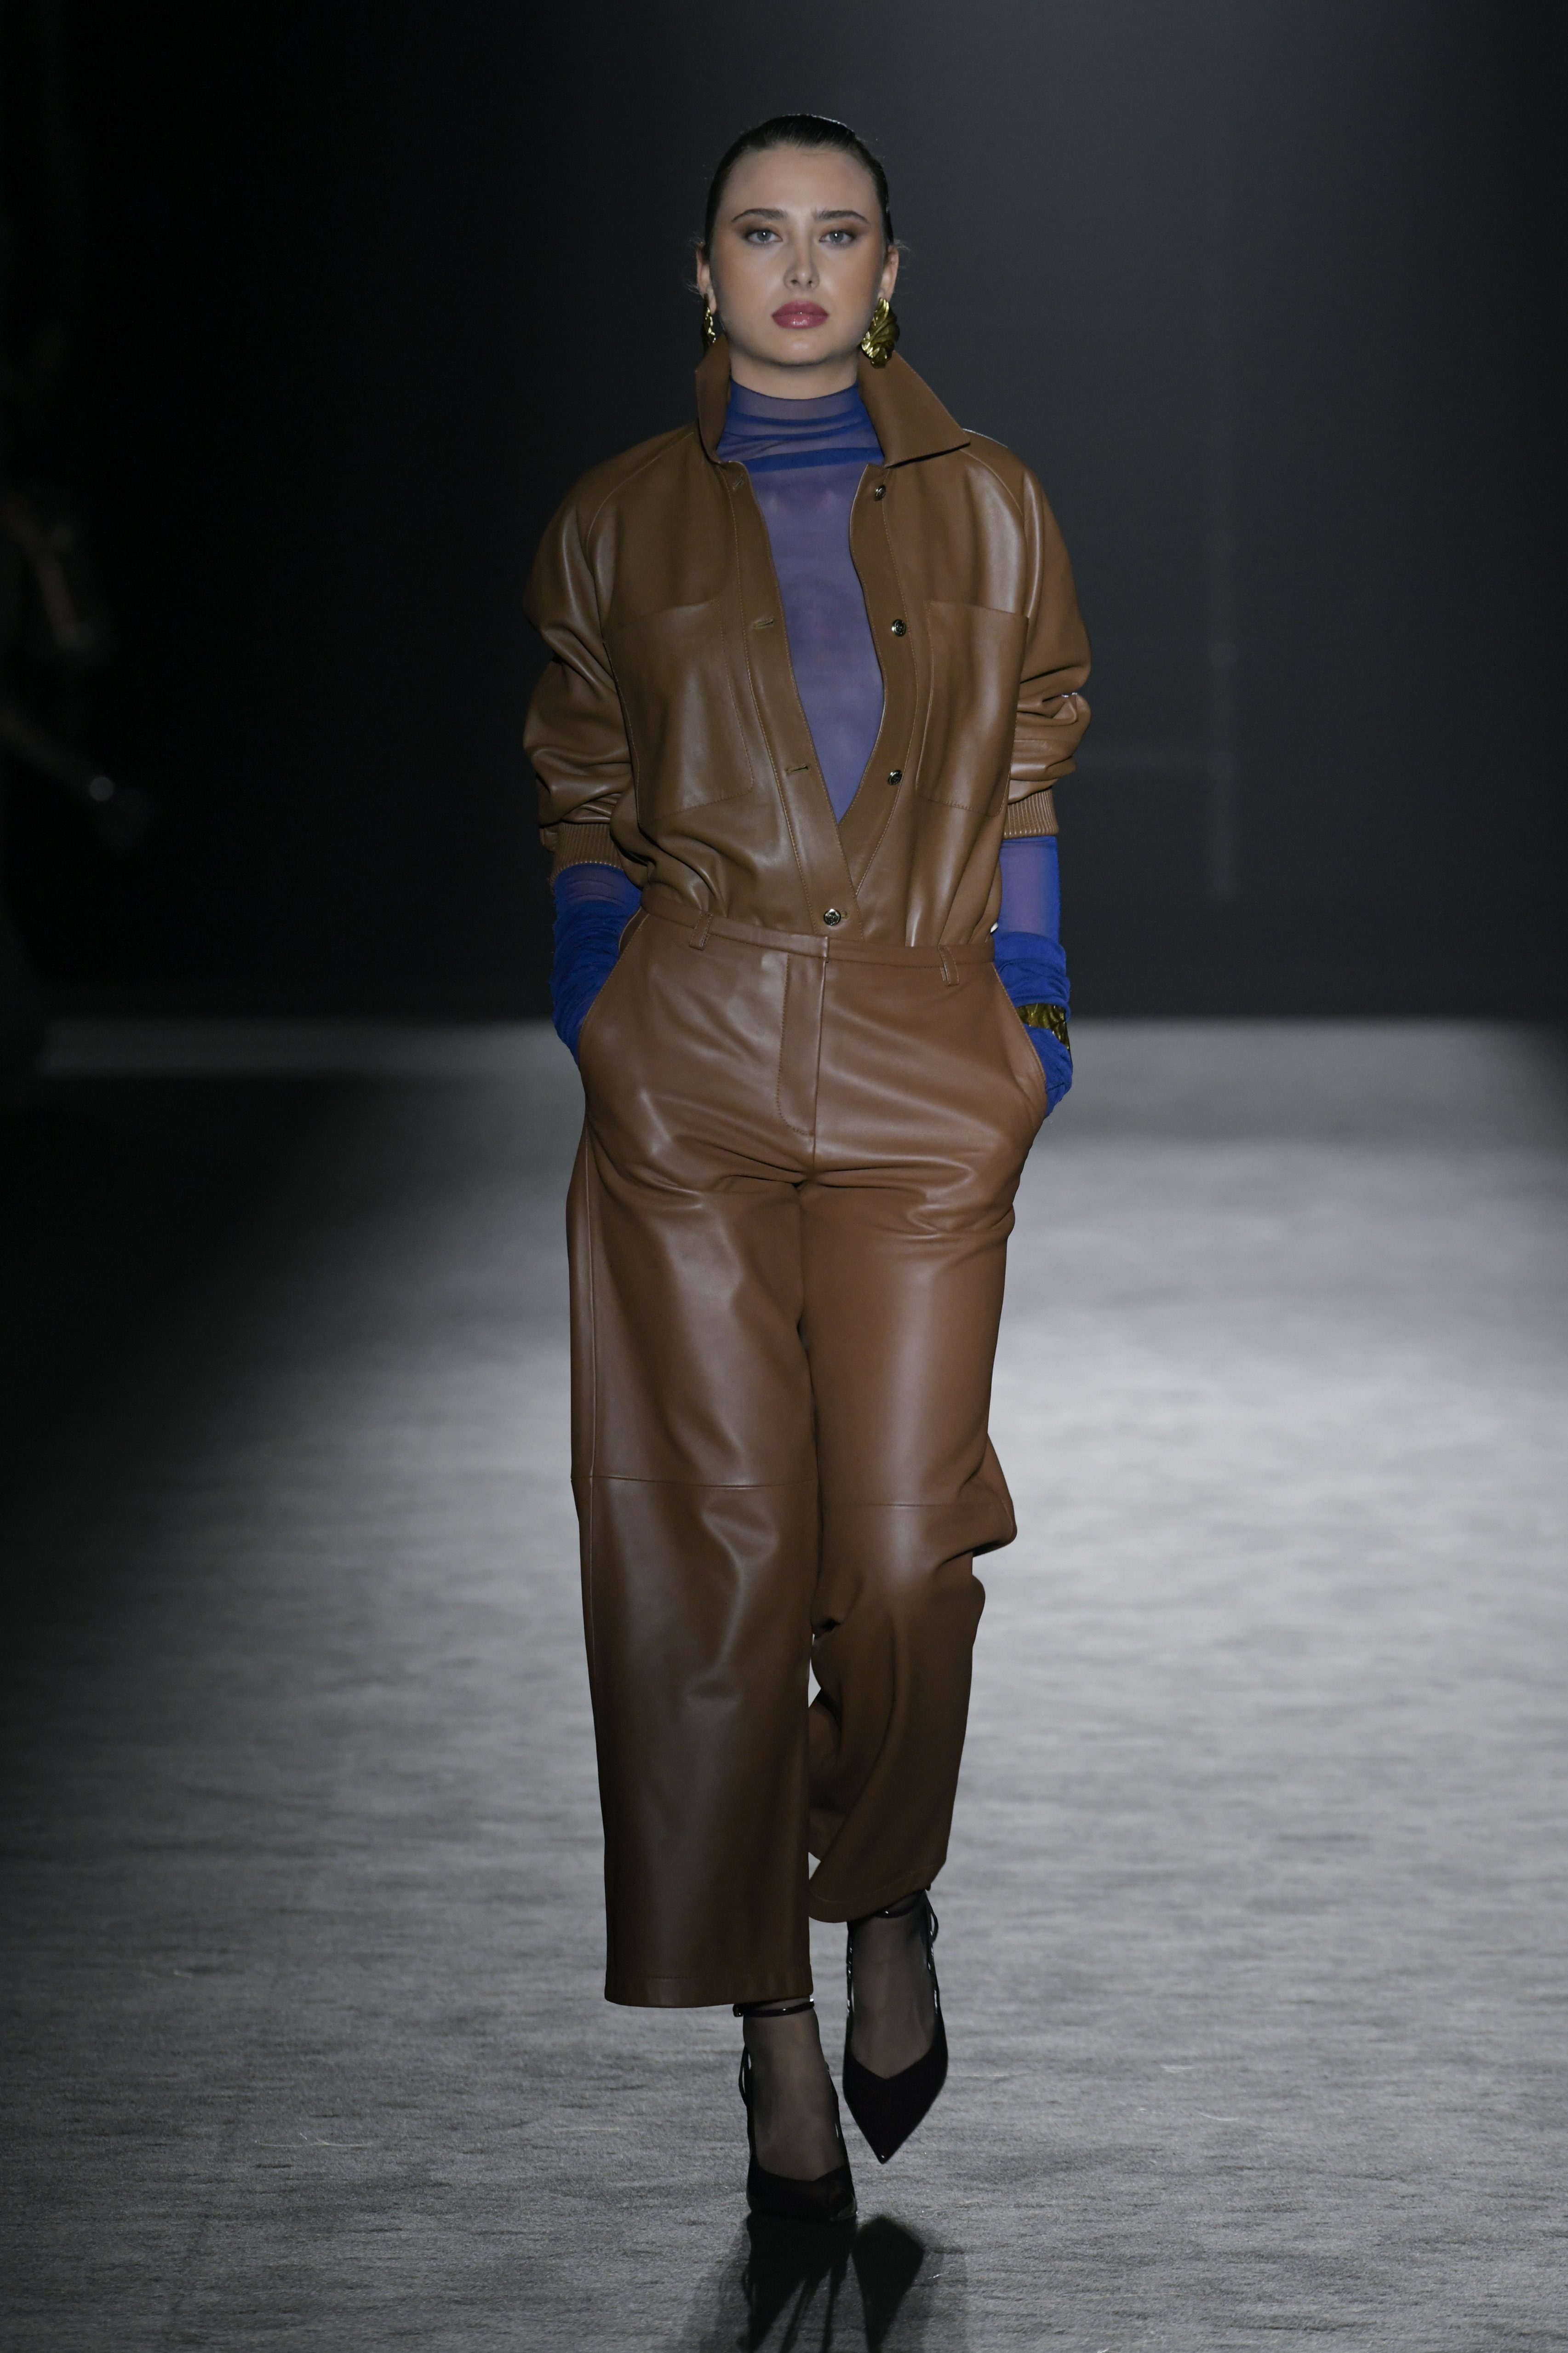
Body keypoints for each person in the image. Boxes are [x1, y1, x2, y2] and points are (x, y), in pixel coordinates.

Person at [525, 115, 1089, 2223]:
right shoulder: (613, 515)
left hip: (929, 1049)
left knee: (907, 1547)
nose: (795, 268)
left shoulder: (994, 499)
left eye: (834, 234)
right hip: (690, 1053)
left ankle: (886, 1890)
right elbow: (583, 777)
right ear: (701, 272)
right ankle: (770, 2015)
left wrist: (1031, 1006)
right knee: (714, 1554)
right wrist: (597, 1005)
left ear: (888, 271)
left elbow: (1029, 754)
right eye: (757, 233)